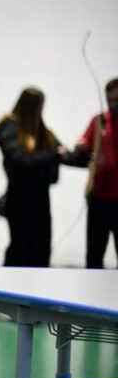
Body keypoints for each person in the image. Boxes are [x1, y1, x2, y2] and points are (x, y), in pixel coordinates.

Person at [0, 87, 68, 267]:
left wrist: (85, 154)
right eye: (39, 107)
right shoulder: (9, 129)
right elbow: (20, 160)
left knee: (41, 251)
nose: (41, 111)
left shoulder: (43, 132)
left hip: (41, 201)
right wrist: (54, 155)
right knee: (20, 250)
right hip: (19, 200)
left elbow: (63, 153)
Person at [73, 77, 118, 268]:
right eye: (110, 100)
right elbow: (82, 143)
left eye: (117, 100)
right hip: (99, 199)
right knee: (94, 255)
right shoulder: (99, 121)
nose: (114, 105)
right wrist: (81, 145)